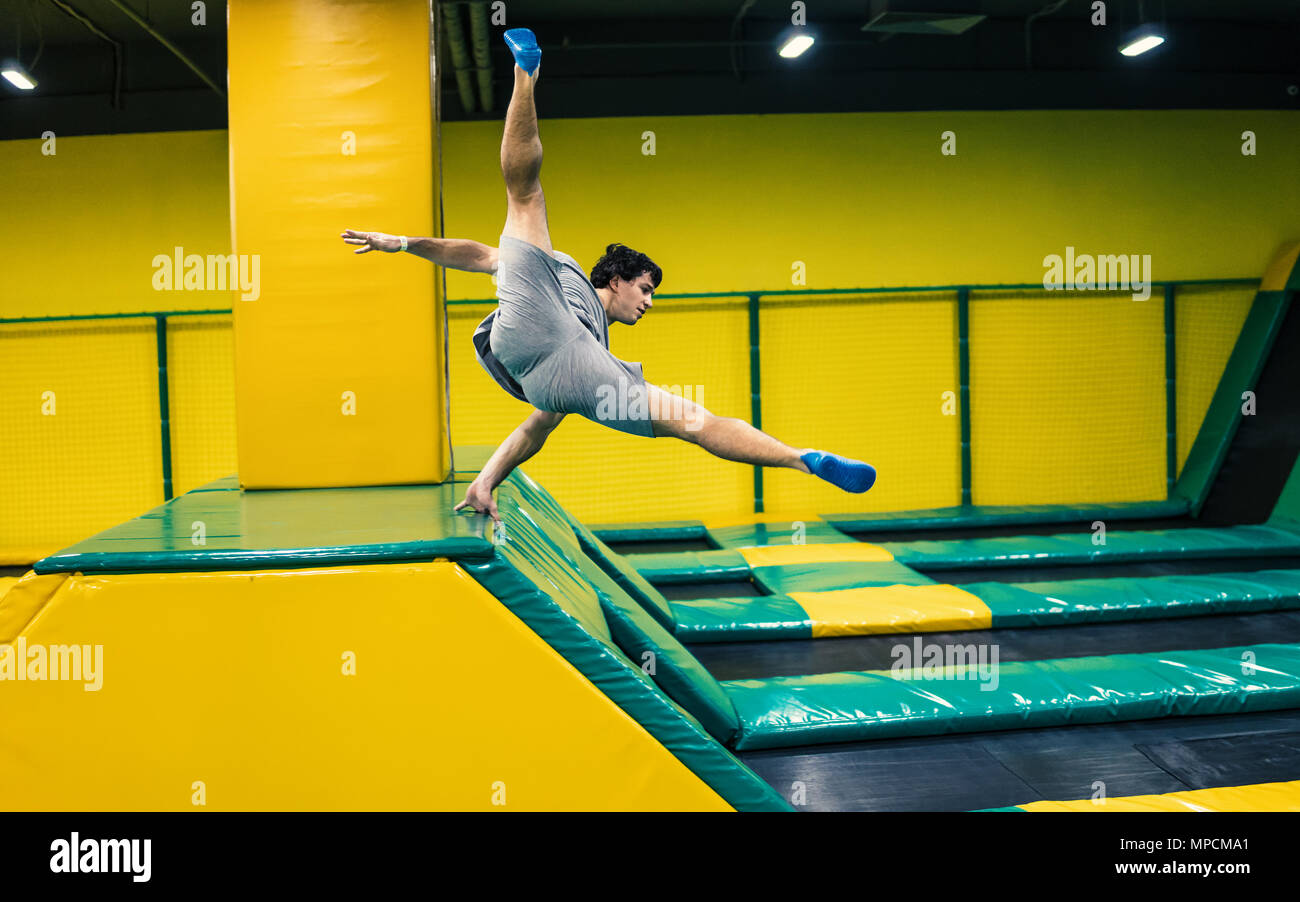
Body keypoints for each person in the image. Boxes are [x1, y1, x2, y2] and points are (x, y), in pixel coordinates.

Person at [342, 27, 874, 523]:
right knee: (697, 422)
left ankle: (526, 74)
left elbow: (535, 423)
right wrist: (409, 243)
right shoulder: (567, 273)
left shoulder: (588, 336)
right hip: (549, 334)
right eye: (644, 289)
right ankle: (799, 459)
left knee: (524, 196)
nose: (648, 302)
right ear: (615, 280)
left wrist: (486, 481)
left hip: (533, 356)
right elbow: (479, 257)